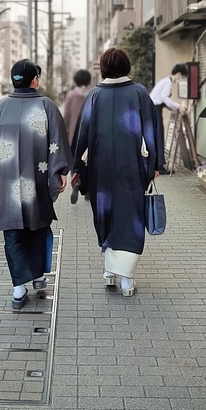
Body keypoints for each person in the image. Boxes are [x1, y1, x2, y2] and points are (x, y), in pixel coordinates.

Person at [71, 48, 160, 297]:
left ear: (104, 68)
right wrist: (154, 164)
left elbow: (82, 134)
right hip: (131, 168)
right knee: (131, 218)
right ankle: (125, 279)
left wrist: (77, 167)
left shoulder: (94, 96)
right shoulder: (139, 93)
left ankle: (110, 271)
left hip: (100, 170)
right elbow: (151, 131)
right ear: (127, 65)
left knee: (105, 215)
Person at [0, 59, 73, 310]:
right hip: (38, 179)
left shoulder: (1, 107)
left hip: (8, 179)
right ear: (34, 79)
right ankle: (37, 276)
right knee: (38, 226)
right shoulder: (46, 106)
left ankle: (18, 289)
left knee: (13, 233)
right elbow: (57, 142)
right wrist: (59, 172)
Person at [149, 63, 188, 174]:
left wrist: (173, 108)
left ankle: (158, 164)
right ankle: (159, 165)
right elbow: (164, 97)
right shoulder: (168, 82)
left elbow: (163, 100)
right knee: (159, 137)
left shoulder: (165, 81)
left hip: (154, 109)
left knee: (157, 136)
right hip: (155, 110)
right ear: (179, 74)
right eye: (181, 77)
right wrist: (178, 106)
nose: (180, 80)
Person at [62, 69, 92, 204]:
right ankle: (88, 190)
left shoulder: (71, 96)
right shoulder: (92, 94)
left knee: (75, 161)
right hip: (90, 134)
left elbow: (66, 116)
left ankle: (76, 182)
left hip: (74, 135)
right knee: (89, 161)